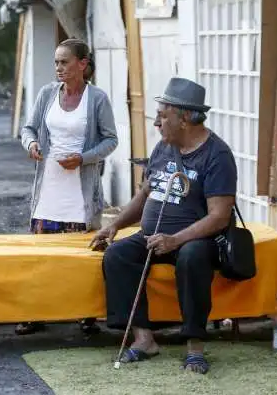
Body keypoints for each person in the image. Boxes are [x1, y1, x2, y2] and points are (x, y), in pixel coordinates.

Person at [90, 77, 237, 375]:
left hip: (196, 238)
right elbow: (145, 193)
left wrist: (175, 240)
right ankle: (144, 339)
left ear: (184, 118)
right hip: (155, 236)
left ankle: (194, 347)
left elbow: (219, 216)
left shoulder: (217, 155)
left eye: (163, 115)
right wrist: (115, 225)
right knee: (117, 255)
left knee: (193, 257)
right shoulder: (163, 148)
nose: (156, 122)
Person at [18, 38, 118, 336]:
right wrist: (32, 143)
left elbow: (111, 139)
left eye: (65, 62)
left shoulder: (96, 98)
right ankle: (36, 312)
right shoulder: (47, 93)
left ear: (82, 64)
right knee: (41, 255)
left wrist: (84, 158)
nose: (59, 68)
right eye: (56, 63)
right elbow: (28, 128)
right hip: (48, 185)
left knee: (80, 256)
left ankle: (84, 313)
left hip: (80, 188)